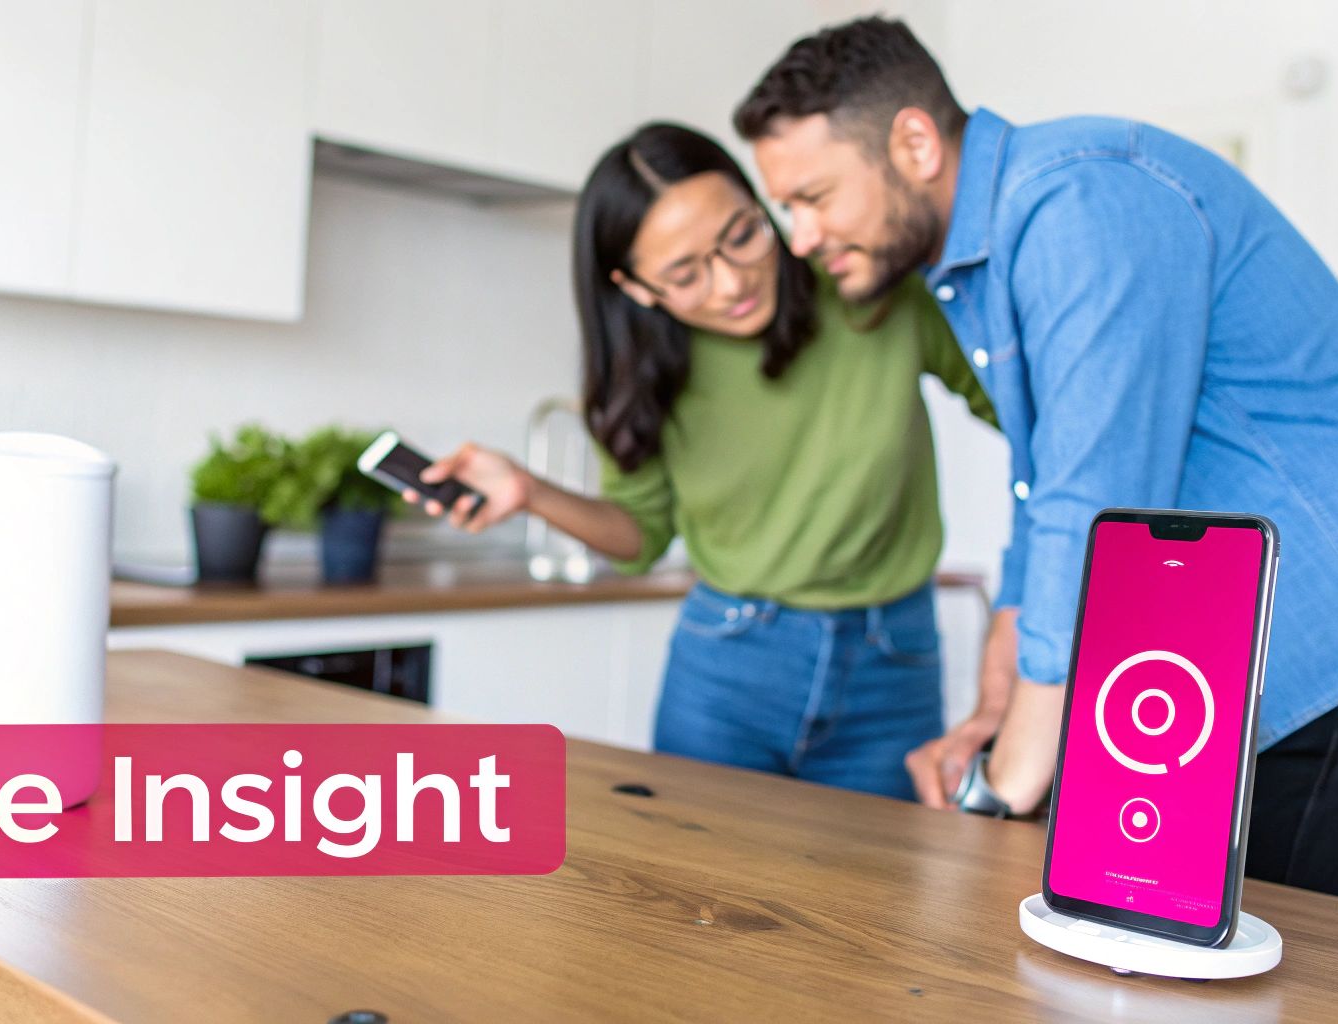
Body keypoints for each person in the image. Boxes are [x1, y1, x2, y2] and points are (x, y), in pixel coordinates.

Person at [733, 15, 1338, 913]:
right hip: (1301, 683)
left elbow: (1097, 502)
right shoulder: (989, 258)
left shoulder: (1081, 200)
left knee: (1327, 989)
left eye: (812, 196)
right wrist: (1002, 709)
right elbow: (1050, 490)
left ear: (915, 142)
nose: (801, 237)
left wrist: (1009, 786)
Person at [412, 122, 996, 800]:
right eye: (686, 274)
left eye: (743, 236)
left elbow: (1016, 408)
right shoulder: (645, 375)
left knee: (883, 903)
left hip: (893, 661)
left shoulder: (869, 291)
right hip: (727, 669)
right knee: (699, 905)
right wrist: (528, 491)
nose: (731, 283)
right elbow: (639, 538)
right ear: (635, 287)